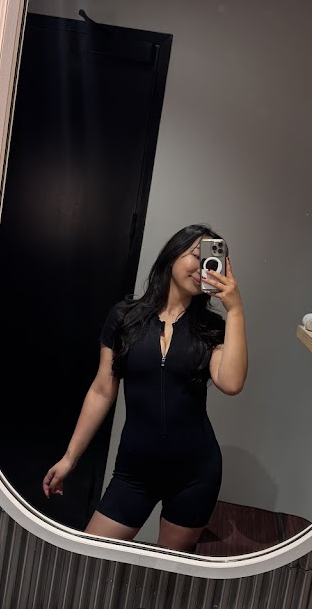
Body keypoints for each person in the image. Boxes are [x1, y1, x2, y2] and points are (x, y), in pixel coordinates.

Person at [43, 224, 248, 552]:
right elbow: (102, 391)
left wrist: (235, 310)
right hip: (134, 472)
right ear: (172, 255)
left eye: (211, 260)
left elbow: (232, 383)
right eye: (196, 255)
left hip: (195, 475)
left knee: (166, 571)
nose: (202, 267)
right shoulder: (124, 317)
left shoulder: (212, 328)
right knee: (91, 557)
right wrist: (70, 457)